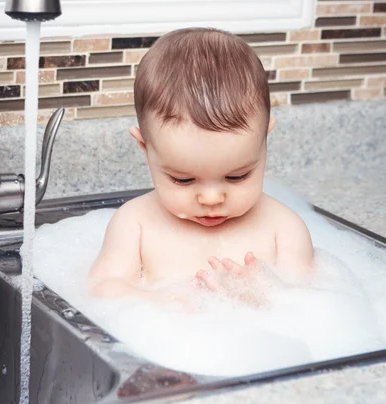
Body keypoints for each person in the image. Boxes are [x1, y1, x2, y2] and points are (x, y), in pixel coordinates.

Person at [88, 28, 314, 308]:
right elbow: (101, 289)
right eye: (183, 180)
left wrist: (264, 297)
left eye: (237, 176)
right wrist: (156, 300)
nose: (211, 199)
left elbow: (309, 306)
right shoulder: (135, 225)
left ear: (264, 139)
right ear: (145, 148)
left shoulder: (284, 230)